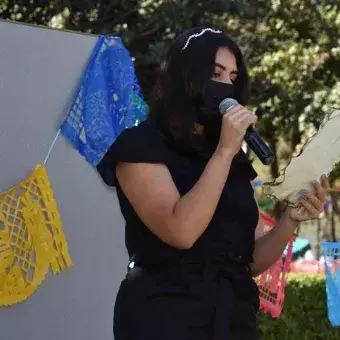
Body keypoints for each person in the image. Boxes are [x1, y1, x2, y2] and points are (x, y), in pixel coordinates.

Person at [97, 26, 329, 340]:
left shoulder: (229, 156)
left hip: (232, 319)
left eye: (233, 78)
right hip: (165, 318)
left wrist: (289, 221)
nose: (225, 87)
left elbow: (247, 261)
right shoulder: (140, 145)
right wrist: (224, 151)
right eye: (216, 73)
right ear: (184, 76)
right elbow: (181, 232)